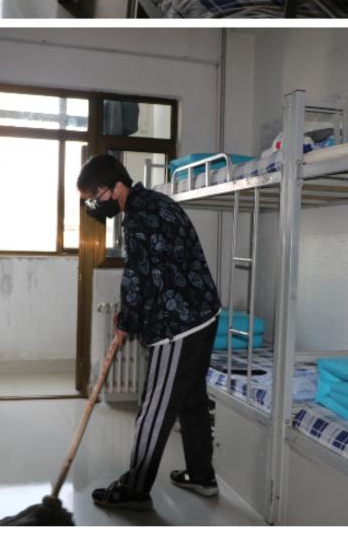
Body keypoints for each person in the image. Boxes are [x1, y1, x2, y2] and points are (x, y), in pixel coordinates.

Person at [77, 154, 221, 512]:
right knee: (192, 401)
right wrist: (131, 316)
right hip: (203, 314)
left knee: (155, 408)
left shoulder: (140, 216)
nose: (95, 204)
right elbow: (156, 270)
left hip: (179, 325)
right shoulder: (157, 202)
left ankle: (135, 489)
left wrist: (127, 320)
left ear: (116, 188)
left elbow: (139, 276)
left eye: (96, 196)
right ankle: (202, 476)